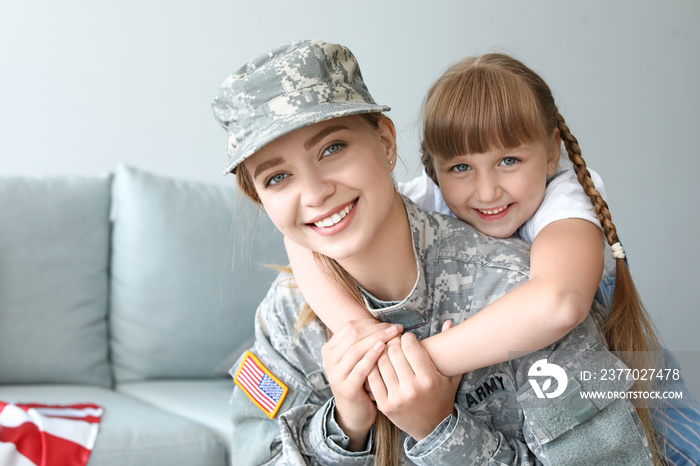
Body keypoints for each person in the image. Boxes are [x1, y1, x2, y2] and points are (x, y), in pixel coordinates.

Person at [212, 40, 656, 465]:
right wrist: (346, 427)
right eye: (276, 178)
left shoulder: (516, 291)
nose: (314, 193)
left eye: (333, 148)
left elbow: (560, 302)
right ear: (260, 200)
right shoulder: (285, 315)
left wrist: (441, 431)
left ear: (387, 143)